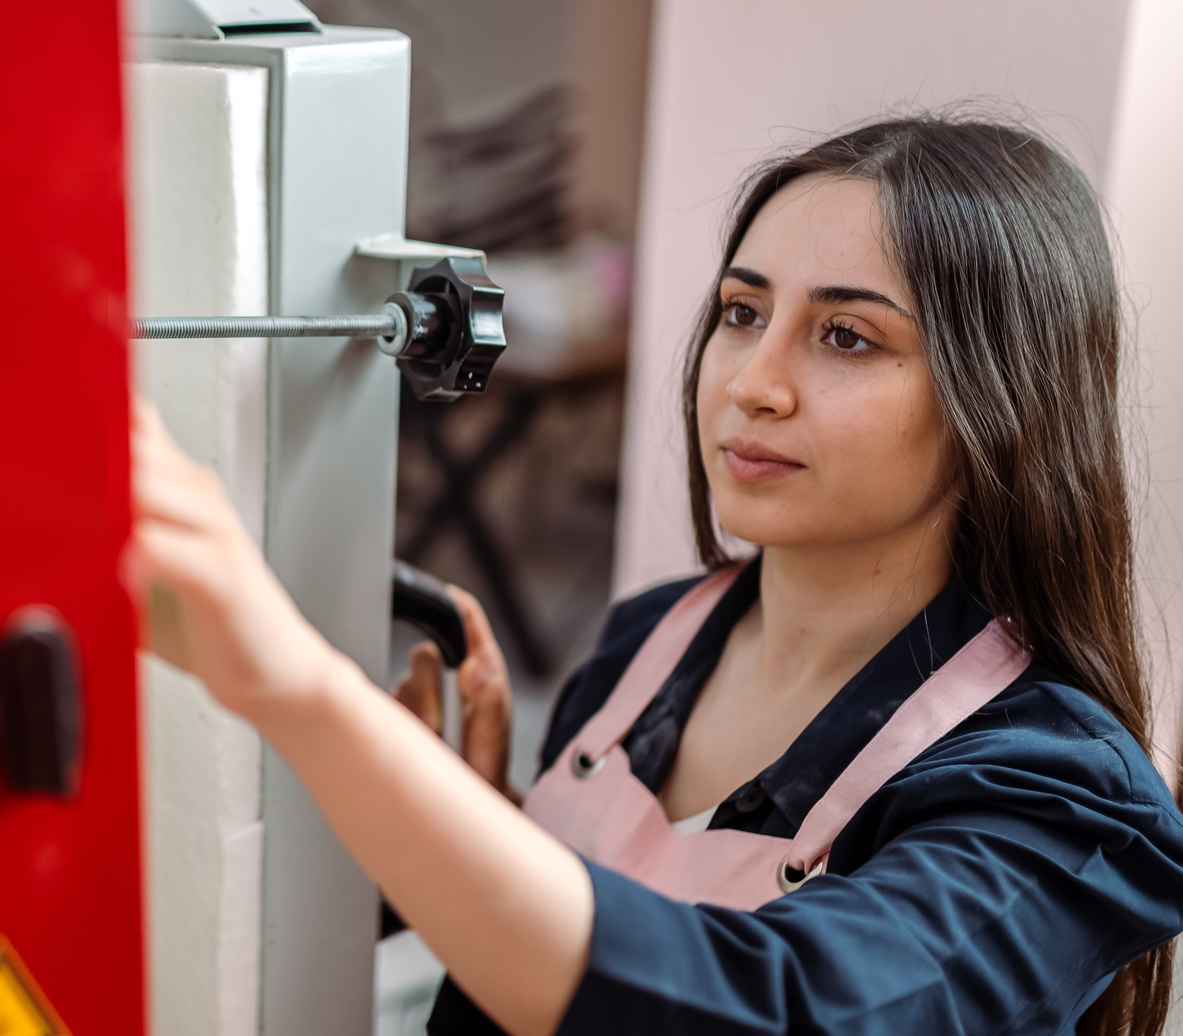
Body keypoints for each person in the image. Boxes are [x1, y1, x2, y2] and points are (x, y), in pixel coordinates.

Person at [129, 115, 1183, 1035]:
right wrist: (479, 814)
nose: (753, 383)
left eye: (846, 337)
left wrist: (295, 688)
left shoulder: (1057, 795)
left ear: (1000, 399)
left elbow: (771, 1009)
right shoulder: (650, 643)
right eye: (740, 312)